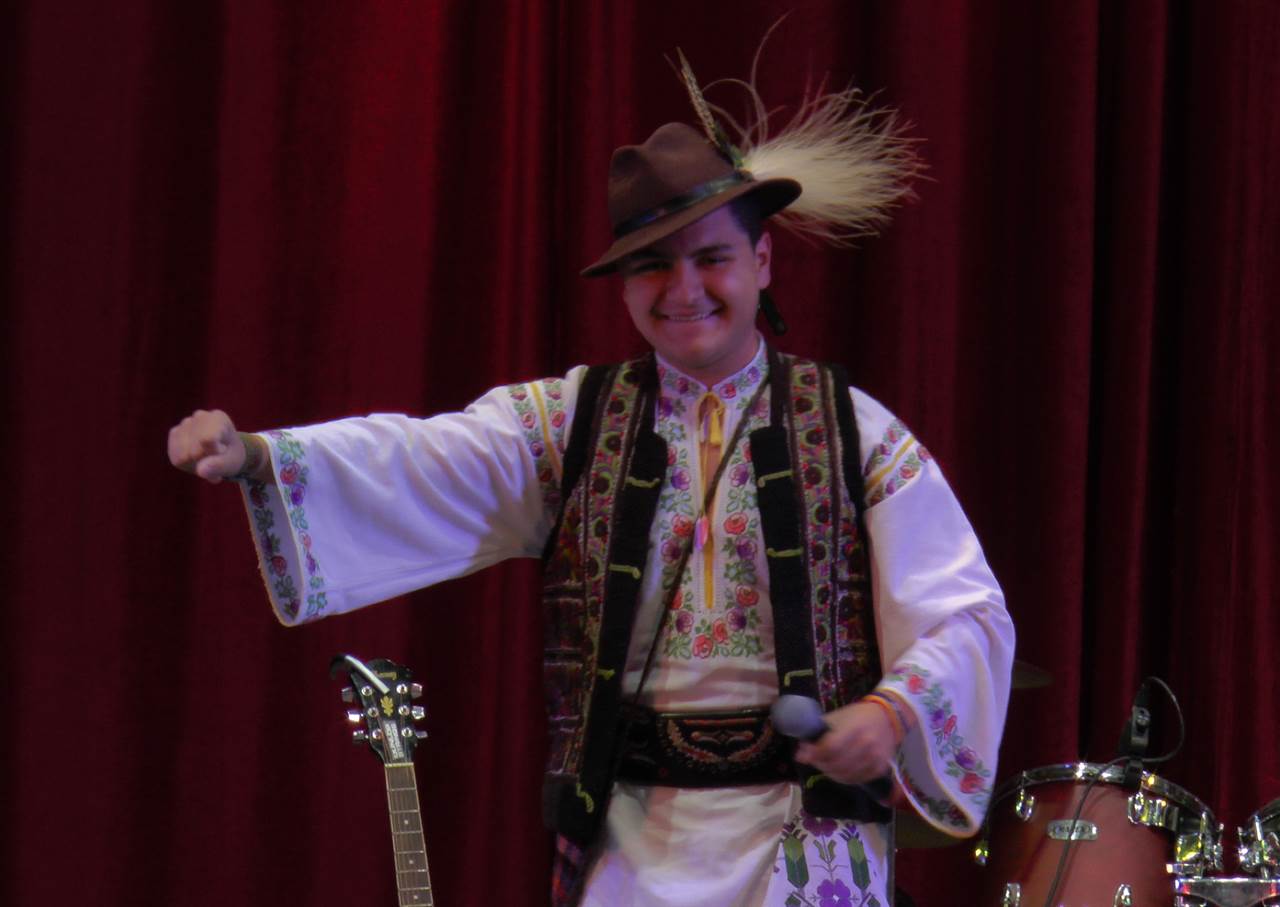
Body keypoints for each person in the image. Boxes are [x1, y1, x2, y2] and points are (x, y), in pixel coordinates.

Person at [167, 69, 1014, 907]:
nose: (683, 290)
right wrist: (260, 455)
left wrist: (893, 711)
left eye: (712, 258)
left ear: (761, 260)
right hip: (633, 838)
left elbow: (967, 612)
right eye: (652, 266)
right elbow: (421, 456)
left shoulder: (853, 429)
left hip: (806, 839)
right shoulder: (576, 422)